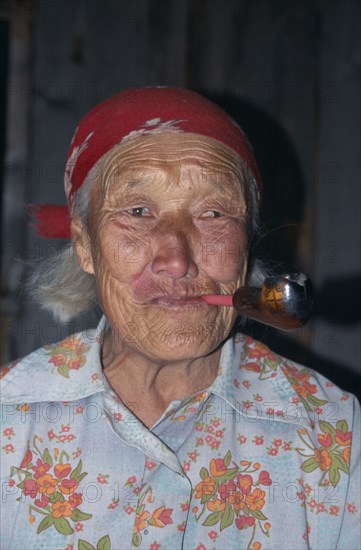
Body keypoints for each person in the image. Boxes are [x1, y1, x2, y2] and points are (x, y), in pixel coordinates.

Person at [1, 87, 359, 550]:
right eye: (138, 212)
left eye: (212, 213)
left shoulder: (334, 433)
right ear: (86, 245)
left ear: (245, 247)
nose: (176, 258)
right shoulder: (9, 419)